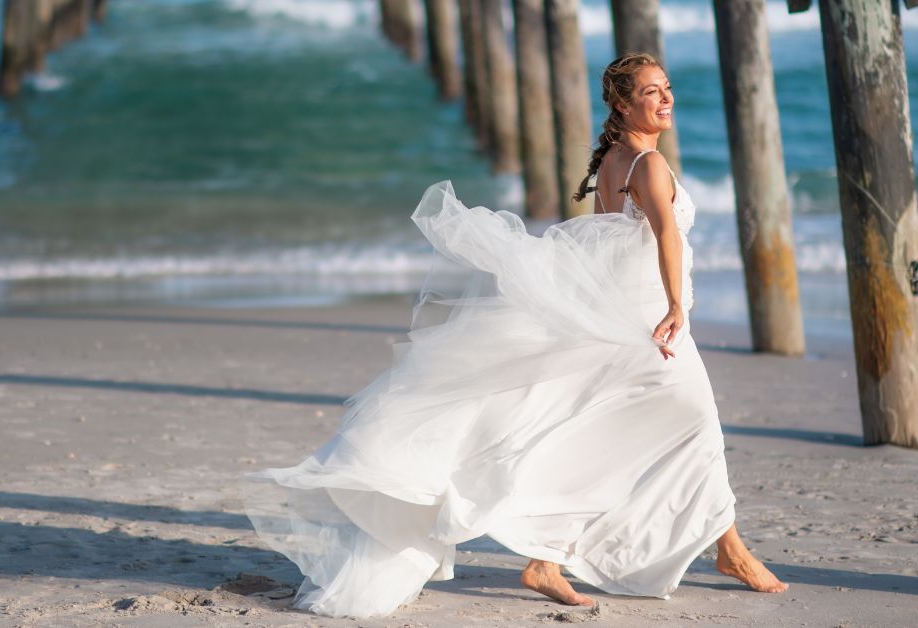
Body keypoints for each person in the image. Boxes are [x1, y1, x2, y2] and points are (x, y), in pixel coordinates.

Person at [244, 52, 787, 619]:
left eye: (667, 88)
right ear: (624, 104)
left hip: (626, 317)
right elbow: (666, 238)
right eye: (652, 92)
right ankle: (722, 553)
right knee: (689, 424)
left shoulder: (615, 161)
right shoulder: (646, 166)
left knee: (615, 430)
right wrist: (676, 305)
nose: (666, 99)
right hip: (652, 321)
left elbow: (605, 244)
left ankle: (569, 557)